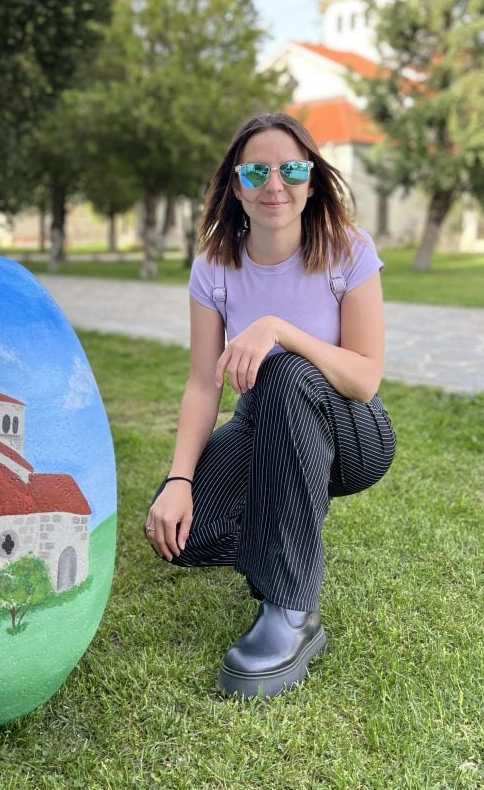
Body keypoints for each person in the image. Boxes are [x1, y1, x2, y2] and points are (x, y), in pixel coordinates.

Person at [144, 112, 396, 698]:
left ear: (312, 181)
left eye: (292, 169)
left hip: (353, 432)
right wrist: (179, 477)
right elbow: (204, 386)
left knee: (282, 370)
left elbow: (364, 378)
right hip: (263, 423)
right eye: (257, 170)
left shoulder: (349, 251)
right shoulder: (214, 265)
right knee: (180, 532)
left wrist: (278, 329)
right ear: (236, 185)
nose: (274, 184)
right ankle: (291, 529)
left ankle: (292, 611)